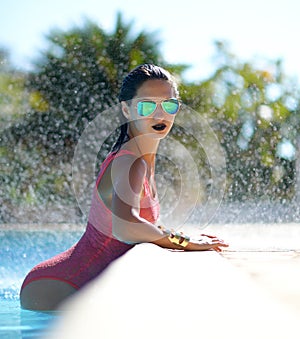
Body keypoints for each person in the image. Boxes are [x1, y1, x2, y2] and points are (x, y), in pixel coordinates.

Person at [20, 64, 228, 311]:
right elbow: (126, 226)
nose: (160, 115)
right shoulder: (129, 161)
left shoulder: (141, 160)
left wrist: (187, 236)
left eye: (169, 105)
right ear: (126, 110)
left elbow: (139, 224)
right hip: (57, 286)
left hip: (66, 283)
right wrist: (184, 242)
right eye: (147, 106)